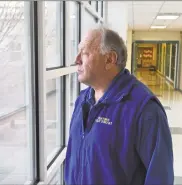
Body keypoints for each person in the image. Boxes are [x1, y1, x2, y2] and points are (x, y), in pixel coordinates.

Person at [64, 26, 174, 185]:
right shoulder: (82, 100)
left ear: (109, 59)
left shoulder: (144, 109)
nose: (77, 59)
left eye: (85, 53)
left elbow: (160, 177)